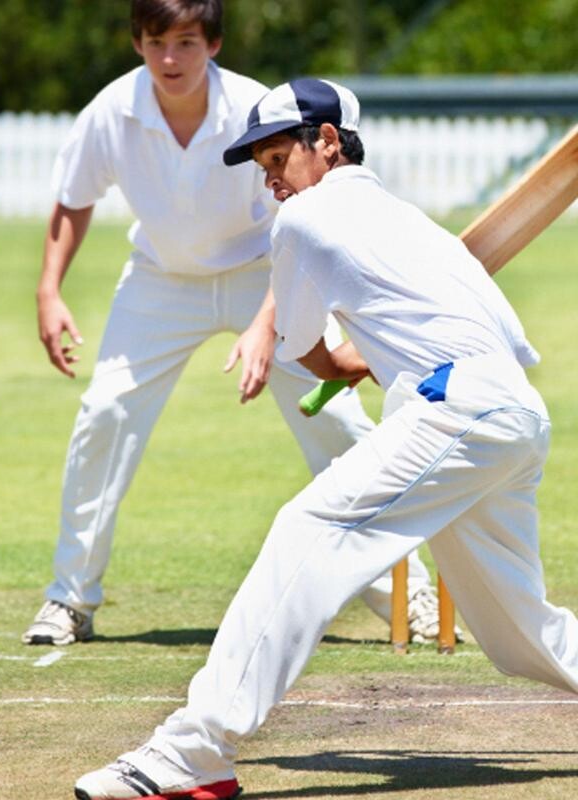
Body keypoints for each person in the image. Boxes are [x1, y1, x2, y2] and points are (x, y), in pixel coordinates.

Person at [73, 77, 578, 800]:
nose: (271, 183)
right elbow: (505, 340)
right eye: (263, 169)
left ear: (328, 142)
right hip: (511, 415)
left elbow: (300, 341)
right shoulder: (415, 226)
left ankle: (192, 750)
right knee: (517, 633)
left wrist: (346, 364)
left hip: (455, 409)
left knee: (308, 525)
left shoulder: (306, 219)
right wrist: (384, 359)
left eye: (278, 161)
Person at [23, 0, 445, 649]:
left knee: (333, 422)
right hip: (161, 279)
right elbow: (73, 200)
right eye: (158, 42)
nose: (171, 59)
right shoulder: (111, 111)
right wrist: (49, 290)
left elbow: (295, 225)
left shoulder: (254, 110)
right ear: (137, 42)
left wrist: (265, 324)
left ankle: (407, 595)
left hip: (264, 270)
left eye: (187, 42)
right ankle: (69, 599)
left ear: (213, 44)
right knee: (104, 414)